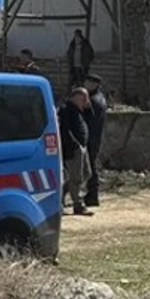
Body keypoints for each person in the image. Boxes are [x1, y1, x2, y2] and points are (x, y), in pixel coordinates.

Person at [60, 87, 93, 217]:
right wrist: (75, 145)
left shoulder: (80, 111)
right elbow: (65, 130)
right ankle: (78, 204)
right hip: (74, 149)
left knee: (86, 173)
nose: (86, 100)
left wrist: (88, 107)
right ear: (75, 97)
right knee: (76, 178)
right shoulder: (66, 110)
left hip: (82, 148)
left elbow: (92, 119)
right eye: (83, 97)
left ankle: (61, 196)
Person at [83, 74, 108, 209]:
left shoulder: (94, 100)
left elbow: (87, 119)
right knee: (91, 166)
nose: (85, 84)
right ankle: (92, 195)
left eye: (88, 82)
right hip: (94, 137)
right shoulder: (99, 98)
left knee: (89, 166)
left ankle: (92, 195)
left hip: (90, 137)